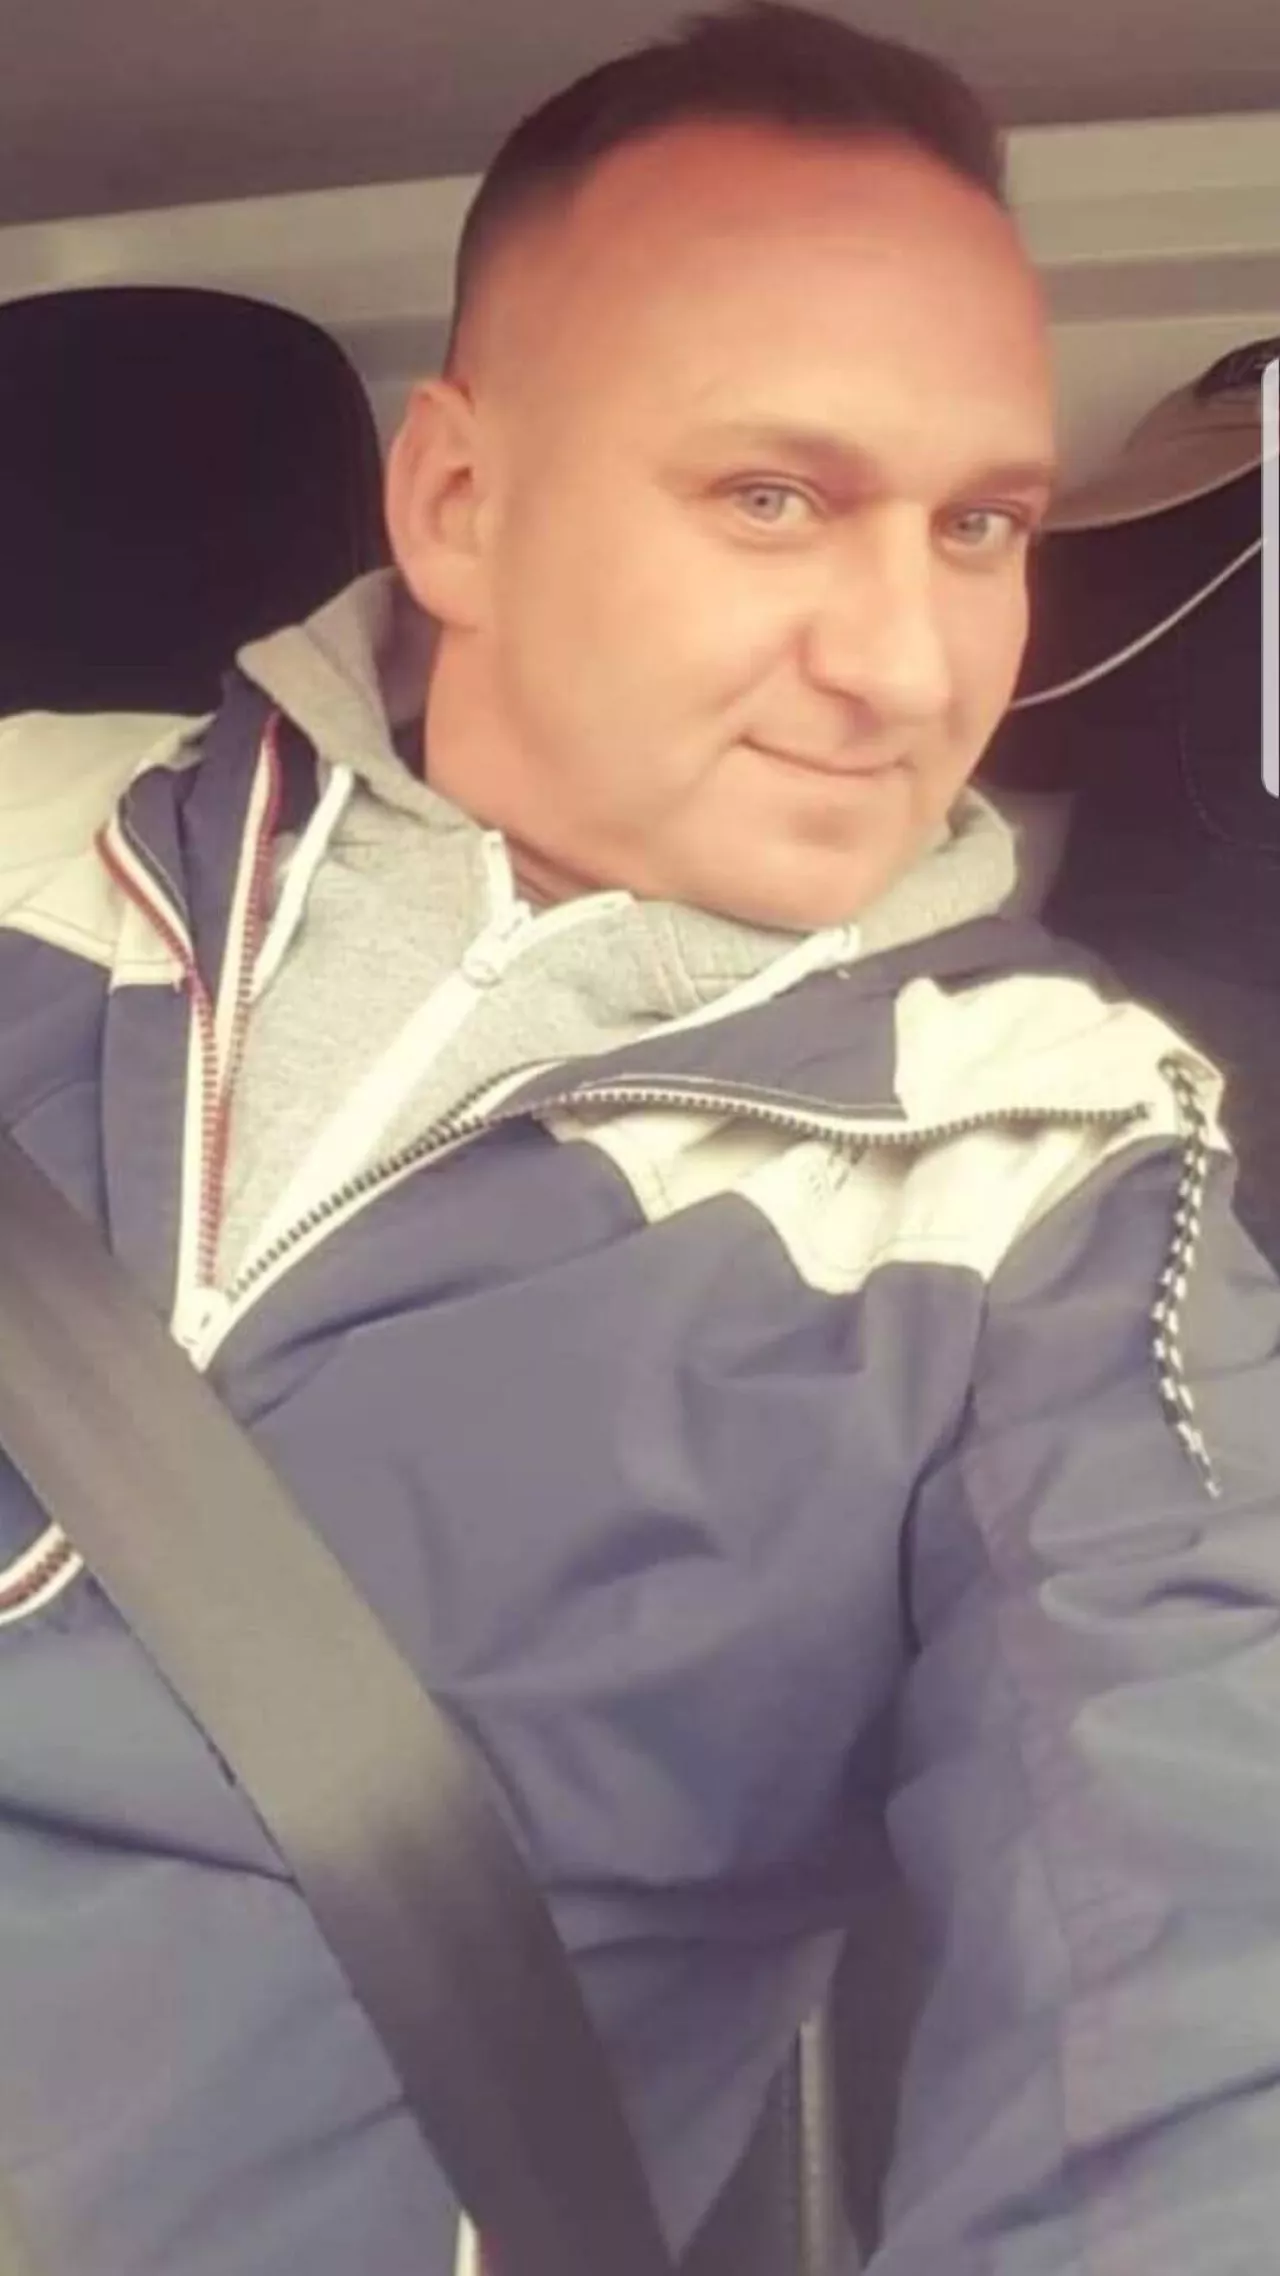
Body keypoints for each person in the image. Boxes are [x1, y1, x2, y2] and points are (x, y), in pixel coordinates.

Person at [2, 6, 1280, 2273]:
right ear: (457, 507)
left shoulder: (1042, 1179)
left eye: (979, 525)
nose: (911, 664)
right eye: (775, 497)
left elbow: (1202, 1905)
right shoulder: (24, 836)